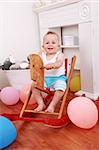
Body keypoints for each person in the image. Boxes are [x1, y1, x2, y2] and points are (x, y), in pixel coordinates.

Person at [32, 31, 67, 113]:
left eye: (53, 43)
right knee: (33, 85)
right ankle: (41, 104)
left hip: (58, 79)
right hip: (44, 79)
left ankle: (52, 105)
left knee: (61, 89)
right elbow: (36, 62)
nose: (50, 44)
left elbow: (59, 63)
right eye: (47, 43)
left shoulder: (59, 55)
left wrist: (53, 65)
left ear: (58, 46)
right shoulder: (42, 55)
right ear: (43, 46)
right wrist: (39, 54)